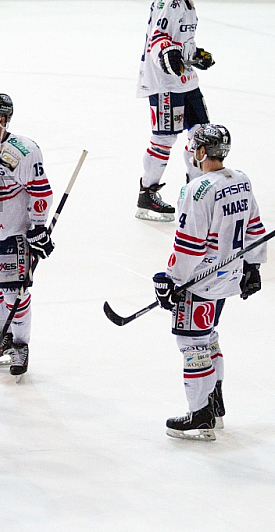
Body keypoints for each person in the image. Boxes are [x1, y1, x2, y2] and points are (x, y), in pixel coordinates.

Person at [152, 124, 267, 441]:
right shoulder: (240, 179)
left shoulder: (198, 189)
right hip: (227, 278)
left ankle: (200, 413)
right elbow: (255, 224)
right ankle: (213, 402)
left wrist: (170, 280)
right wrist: (253, 266)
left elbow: (189, 245)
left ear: (201, 152)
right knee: (209, 335)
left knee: (192, 343)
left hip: (199, 282)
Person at [0, 92, 54, 377]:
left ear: (2, 120)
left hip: (12, 234)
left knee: (13, 292)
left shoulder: (24, 150)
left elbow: (41, 191)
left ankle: (20, 343)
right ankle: (4, 335)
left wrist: (38, 228)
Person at [136, 0, 215, 222]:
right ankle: (147, 194)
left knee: (201, 134)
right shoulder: (170, 2)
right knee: (164, 139)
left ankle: (194, 194)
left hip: (187, 81)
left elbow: (180, 42)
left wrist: (194, 55)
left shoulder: (188, 5)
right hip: (165, 83)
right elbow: (158, 38)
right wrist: (167, 54)